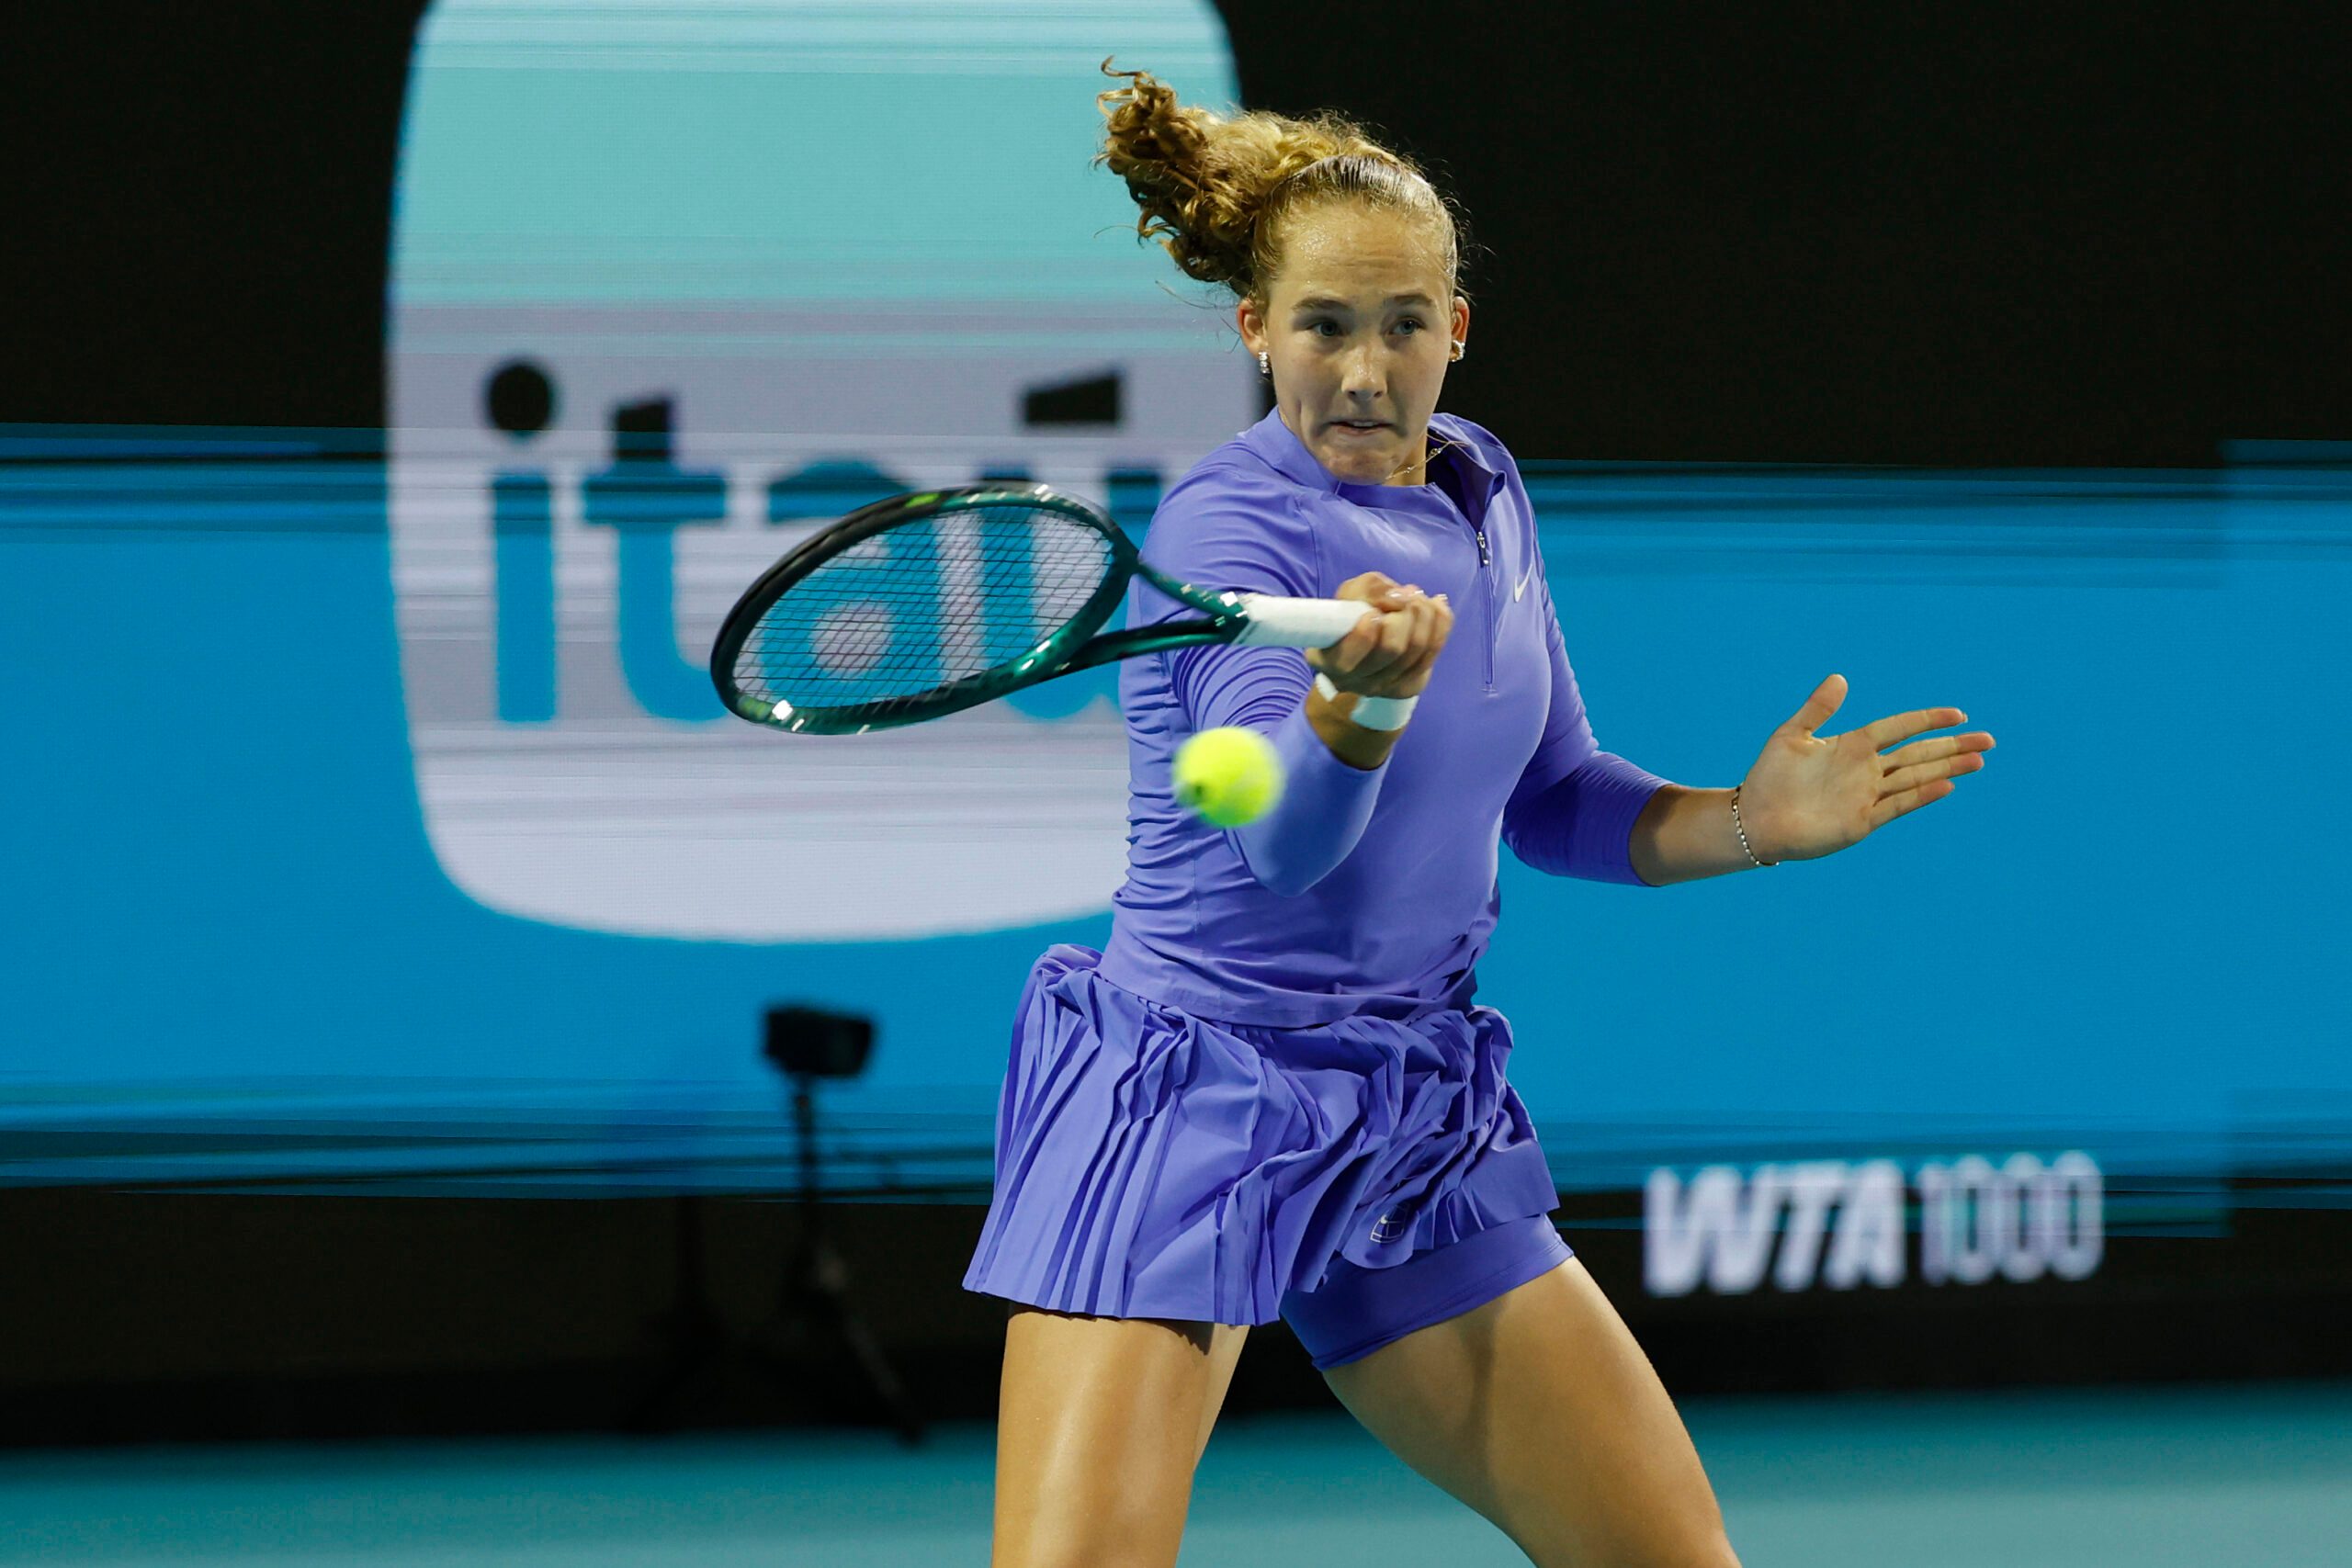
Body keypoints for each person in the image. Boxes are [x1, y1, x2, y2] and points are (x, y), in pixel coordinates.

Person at [960, 60, 1996, 1568]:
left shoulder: (1485, 487)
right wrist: (1356, 714)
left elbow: (1561, 795)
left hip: (1408, 1109)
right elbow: (1287, 845)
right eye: (1322, 326)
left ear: (1458, 326)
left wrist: (1754, 820)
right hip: (1195, 1090)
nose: (1366, 373)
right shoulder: (1228, 525)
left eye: (1402, 324)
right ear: (1257, 330)